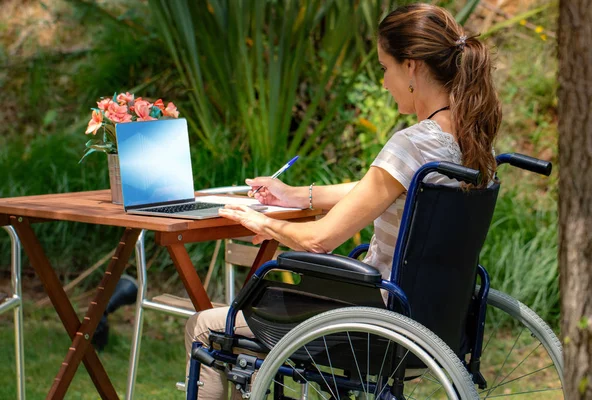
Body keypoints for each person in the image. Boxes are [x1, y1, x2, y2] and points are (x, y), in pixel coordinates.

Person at [185, 3, 501, 399]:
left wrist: (261, 223)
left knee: (206, 326)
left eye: (385, 68)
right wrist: (298, 195)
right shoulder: (467, 142)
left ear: (412, 67)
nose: (384, 81)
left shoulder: (410, 144)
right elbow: (379, 188)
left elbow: (320, 240)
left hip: (372, 320)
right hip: (435, 322)